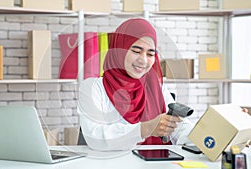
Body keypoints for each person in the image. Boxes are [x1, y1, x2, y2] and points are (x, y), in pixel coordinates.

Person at [77, 18, 193, 151]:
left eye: (150, 54)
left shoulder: (156, 87)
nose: (143, 60)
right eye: (136, 51)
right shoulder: (93, 88)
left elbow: (178, 128)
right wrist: (144, 129)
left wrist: (207, 139)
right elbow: (95, 138)